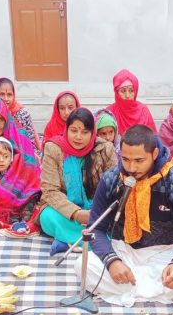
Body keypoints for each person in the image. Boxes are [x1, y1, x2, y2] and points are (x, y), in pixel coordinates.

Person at [77, 124, 173, 307]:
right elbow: (96, 229)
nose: (131, 167)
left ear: (154, 154)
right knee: (82, 265)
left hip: (165, 255)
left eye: (139, 160)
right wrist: (111, 261)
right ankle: (162, 293)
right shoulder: (111, 180)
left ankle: (132, 292)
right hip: (124, 253)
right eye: (125, 159)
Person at [39, 108, 117, 254]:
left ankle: (66, 241)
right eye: (74, 130)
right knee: (46, 217)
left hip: (96, 208)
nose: (78, 137)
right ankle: (95, 241)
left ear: (92, 133)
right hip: (64, 209)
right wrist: (76, 213)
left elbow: (113, 187)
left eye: (85, 132)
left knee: (117, 218)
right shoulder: (53, 148)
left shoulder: (105, 148)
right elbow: (50, 191)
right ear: (66, 129)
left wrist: (95, 211)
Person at [0, 77, 41, 152]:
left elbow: (29, 141)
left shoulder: (22, 113)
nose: (6, 98)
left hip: (22, 152)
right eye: (2, 94)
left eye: (9, 95)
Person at [106, 69, 157, 135]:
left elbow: (152, 138)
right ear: (117, 93)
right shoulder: (110, 112)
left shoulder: (143, 110)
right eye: (123, 91)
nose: (127, 95)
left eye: (131, 91)